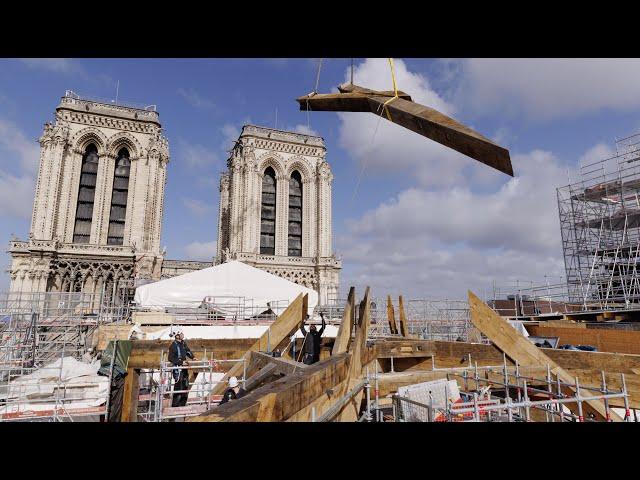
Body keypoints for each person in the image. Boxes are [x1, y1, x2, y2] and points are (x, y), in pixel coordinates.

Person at [168, 328, 194, 407]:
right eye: (181, 333)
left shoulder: (183, 343)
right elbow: (170, 358)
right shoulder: (173, 346)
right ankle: (175, 406)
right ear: (177, 336)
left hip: (184, 369)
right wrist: (181, 362)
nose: (183, 335)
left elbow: (187, 351)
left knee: (185, 386)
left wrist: (193, 357)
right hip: (178, 370)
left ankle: (183, 405)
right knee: (178, 388)